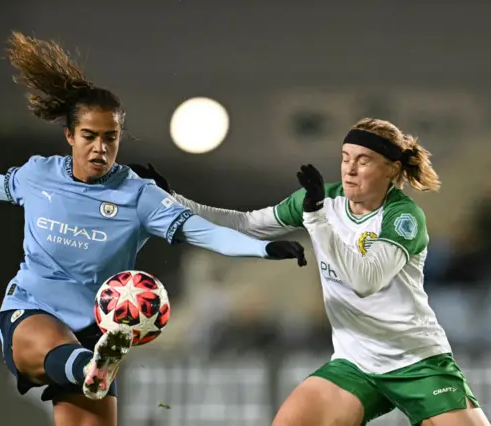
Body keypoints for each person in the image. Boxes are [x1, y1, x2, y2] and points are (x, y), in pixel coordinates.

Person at [0, 32, 307, 426]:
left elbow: (201, 230)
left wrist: (263, 250)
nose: (101, 148)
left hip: (97, 331)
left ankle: (89, 367)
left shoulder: (139, 195)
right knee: (48, 344)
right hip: (33, 309)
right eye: (90, 136)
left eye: (111, 137)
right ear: (69, 136)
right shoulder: (39, 175)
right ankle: (86, 369)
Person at [130, 118, 490, 426]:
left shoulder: (403, 217)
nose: (350, 169)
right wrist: (174, 199)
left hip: (416, 361)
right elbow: (246, 223)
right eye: (346, 158)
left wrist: (317, 219)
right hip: (356, 364)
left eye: (364, 160)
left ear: (392, 169)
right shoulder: (325, 201)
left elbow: (365, 281)